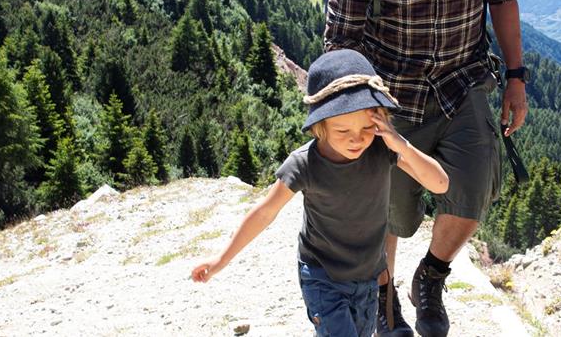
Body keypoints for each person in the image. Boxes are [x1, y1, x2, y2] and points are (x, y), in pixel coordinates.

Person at [325, 0, 528, 335]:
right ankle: (383, 299)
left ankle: (430, 278)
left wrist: (516, 77)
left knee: (476, 184)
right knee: (389, 211)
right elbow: (341, 37)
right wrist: (356, 112)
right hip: (390, 94)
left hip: (463, 79)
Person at [191, 49, 449, 336]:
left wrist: (399, 143)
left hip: (368, 278)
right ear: (319, 127)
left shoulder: (382, 150)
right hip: (321, 275)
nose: (357, 139)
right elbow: (265, 212)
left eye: (367, 127)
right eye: (342, 131)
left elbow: (440, 183)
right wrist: (220, 260)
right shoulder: (304, 164)